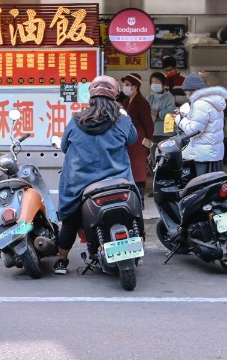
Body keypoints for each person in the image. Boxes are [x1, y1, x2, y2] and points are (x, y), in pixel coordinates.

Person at [53, 75, 137, 275]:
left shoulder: (76, 120)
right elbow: (132, 140)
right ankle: (135, 249)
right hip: (117, 180)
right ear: (115, 97)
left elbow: (64, 146)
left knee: (71, 219)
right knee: (132, 213)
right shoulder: (122, 120)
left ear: (91, 97)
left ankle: (62, 261)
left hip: (80, 183)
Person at [177, 72, 227, 177]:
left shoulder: (200, 104)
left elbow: (194, 132)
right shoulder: (213, 101)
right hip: (213, 153)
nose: (186, 95)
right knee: (213, 187)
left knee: (201, 188)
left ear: (191, 91)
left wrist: (180, 120)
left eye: (186, 92)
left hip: (202, 155)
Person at [120, 72, 155, 202]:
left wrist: (148, 141)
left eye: (127, 85)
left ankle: (140, 198)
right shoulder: (125, 101)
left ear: (135, 87)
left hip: (139, 138)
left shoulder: (142, 102)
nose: (125, 87)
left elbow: (148, 123)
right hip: (128, 138)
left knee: (139, 167)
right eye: (124, 84)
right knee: (129, 166)